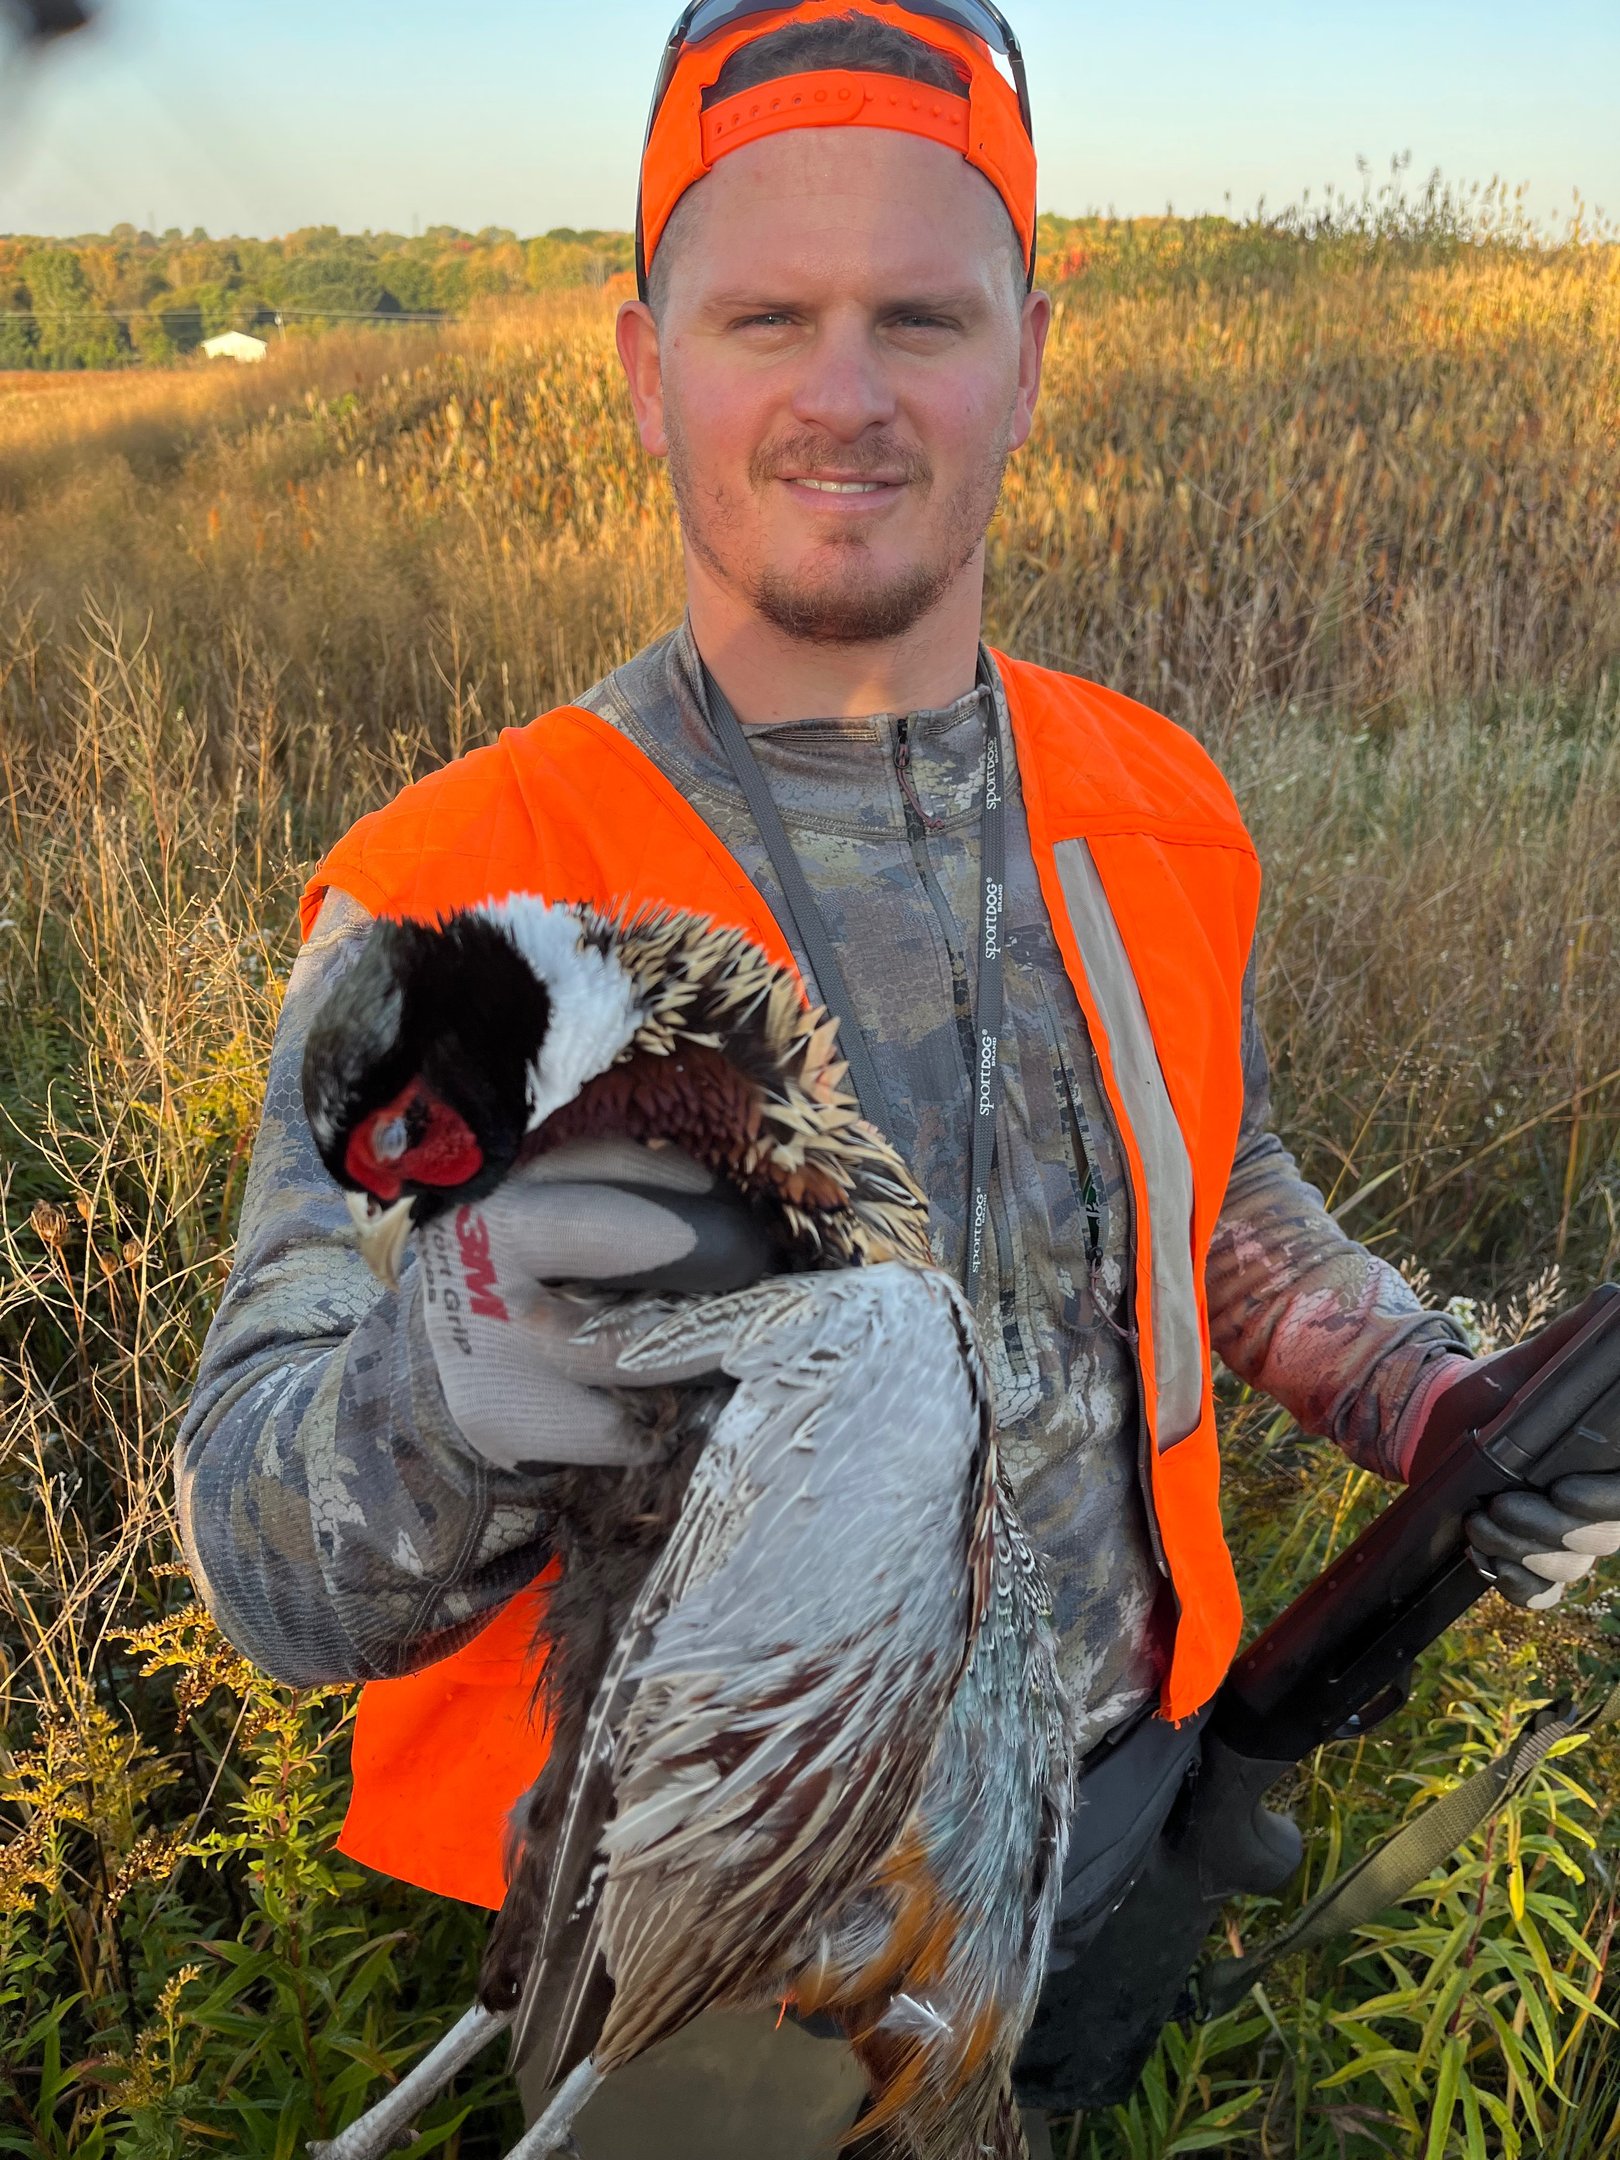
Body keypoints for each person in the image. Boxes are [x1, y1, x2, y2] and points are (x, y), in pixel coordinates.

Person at [176, 5, 1620, 2155]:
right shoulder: (452, 914)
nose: (842, 395)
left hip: (1130, 1813)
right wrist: (467, 1367)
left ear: (1029, 354)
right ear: (642, 354)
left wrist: (1431, 1398)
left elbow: (1207, 1179)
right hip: (735, 1999)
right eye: (765, 313)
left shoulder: (1162, 806)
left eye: (918, 318)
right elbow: (261, 1547)